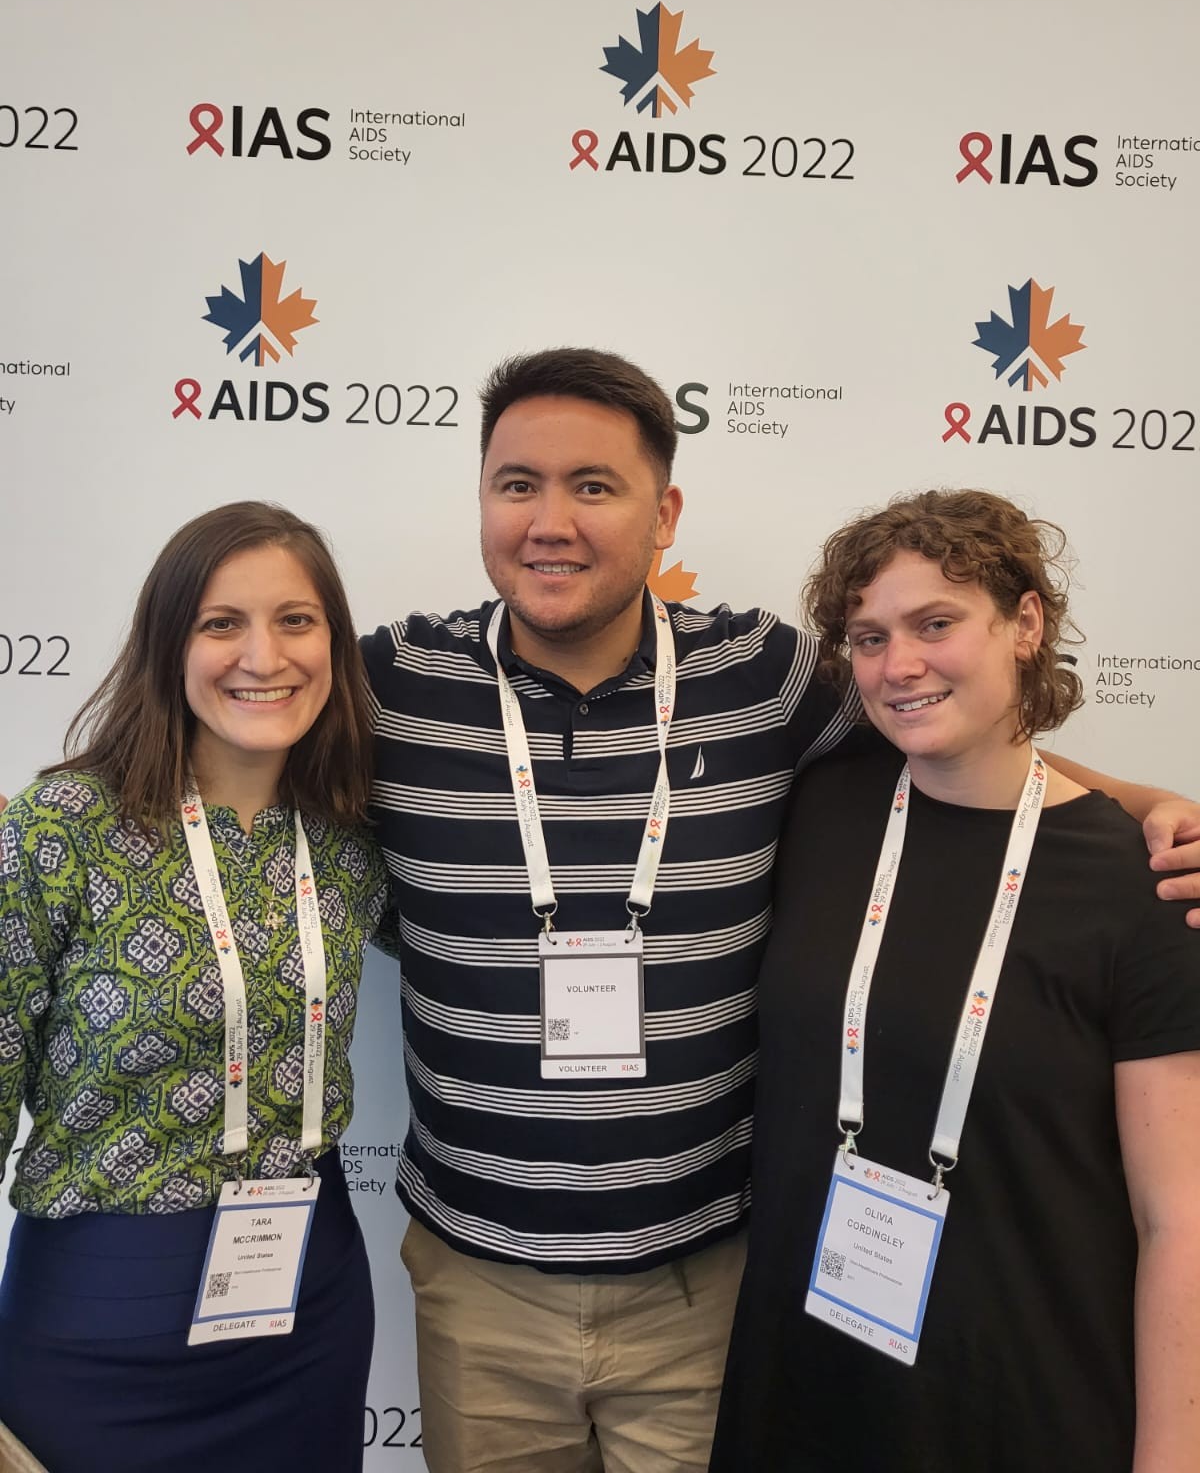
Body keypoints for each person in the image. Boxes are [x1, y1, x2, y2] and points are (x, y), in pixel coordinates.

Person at [361, 350, 1200, 1473]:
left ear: (665, 513)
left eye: (594, 486)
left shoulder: (767, 676)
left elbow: (967, 742)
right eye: (517, 484)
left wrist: (1154, 807)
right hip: (479, 1285)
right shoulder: (386, 688)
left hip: (705, 1284)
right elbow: (230, 749)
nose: (550, 520)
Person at [709, 489, 1200, 1473]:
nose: (900, 665)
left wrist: (1173, 1454)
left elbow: (1177, 1219)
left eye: (937, 623)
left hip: (1022, 1398)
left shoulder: (1141, 885)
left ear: (1025, 623)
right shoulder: (821, 809)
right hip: (805, 1381)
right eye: (868, 635)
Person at [0, 502, 388, 1473]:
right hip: (100, 1321)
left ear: (333, 644)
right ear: (169, 643)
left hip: (310, 1306)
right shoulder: (61, 830)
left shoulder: (350, 841)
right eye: (223, 623)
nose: (265, 654)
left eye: (296, 620)